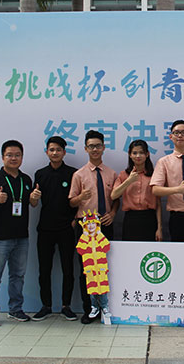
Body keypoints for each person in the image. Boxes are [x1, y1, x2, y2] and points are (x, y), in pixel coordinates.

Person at [0, 140, 40, 327]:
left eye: (17, 155)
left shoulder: (26, 180)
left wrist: (34, 198)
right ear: (2, 157)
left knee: (17, 276)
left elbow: (32, 204)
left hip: (21, 237)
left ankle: (15, 309)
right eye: (10, 155)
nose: (14, 158)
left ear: (22, 157)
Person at [69, 130, 118, 323]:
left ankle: (106, 308)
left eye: (98, 146)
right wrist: (81, 197)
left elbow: (116, 199)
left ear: (104, 147)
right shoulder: (79, 175)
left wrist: (113, 214)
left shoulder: (112, 174)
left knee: (105, 269)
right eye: (91, 146)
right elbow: (71, 202)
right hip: (86, 229)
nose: (95, 149)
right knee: (87, 269)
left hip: (105, 224)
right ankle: (89, 309)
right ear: (85, 149)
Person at [30, 136, 78, 322]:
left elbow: (77, 200)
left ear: (64, 152)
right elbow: (34, 203)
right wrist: (33, 197)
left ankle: (66, 306)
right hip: (45, 228)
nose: (55, 152)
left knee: (68, 269)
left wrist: (74, 220)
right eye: (52, 149)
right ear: (47, 152)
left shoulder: (73, 173)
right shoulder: (40, 174)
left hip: (66, 228)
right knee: (44, 269)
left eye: (58, 149)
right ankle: (46, 306)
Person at [111, 139, 163, 241]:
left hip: (149, 218)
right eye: (134, 153)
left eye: (141, 153)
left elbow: (158, 204)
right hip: (131, 219)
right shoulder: (124, 174)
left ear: (147, 154)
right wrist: (128, 181)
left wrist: (159, 228)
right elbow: (114, 195)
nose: (138, 156)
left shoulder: (154, 175)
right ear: (130, 155)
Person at [76, 211, 112, 324]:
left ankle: (104, 307)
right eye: (88, 224)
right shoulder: (84, 238)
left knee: (103, 290)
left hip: (101, 270)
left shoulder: (100, 237)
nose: (91, 226)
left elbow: (106, 247)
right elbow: (80, 250)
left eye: (93, 224)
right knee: (92, 291)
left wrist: (99, 234)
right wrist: (85, 236)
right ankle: (94, 307)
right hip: (90, 271)